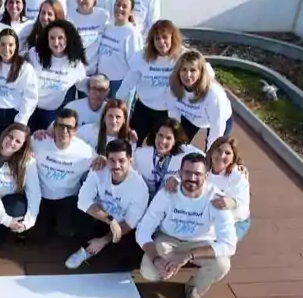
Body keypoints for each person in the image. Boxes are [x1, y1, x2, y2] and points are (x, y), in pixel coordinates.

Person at [135, 152, 237, 298]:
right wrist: (156, 259)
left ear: (206, 175)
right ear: (180, 173)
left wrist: (188, 254)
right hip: (168, 239)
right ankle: (168, 265)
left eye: (197, 174)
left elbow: (229, 244)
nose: (192, 178)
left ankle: (194, 288)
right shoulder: (167, 193)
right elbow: (143, 230)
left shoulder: (216, 199)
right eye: (187, 173)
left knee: (222, 265)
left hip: (201, 242)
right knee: (149, 271)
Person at [64, 139, 150, 269]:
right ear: (106, 159)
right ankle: (86, 249)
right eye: (112, 160)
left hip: (122, 226)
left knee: (127, 258)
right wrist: (110, 220)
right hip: (102, 218)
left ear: (130, 161)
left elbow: (130, 222)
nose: (116, 165)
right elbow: (83, 201)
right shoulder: (99, 169)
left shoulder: (140, 188)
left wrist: (104, 240)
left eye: (121, 161)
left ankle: (97, 246)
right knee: (75, 213)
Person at [167, 135, 252, 242]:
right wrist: (173, 180)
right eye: (218, 150)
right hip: (202, 218)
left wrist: (232, 203)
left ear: (233, 159)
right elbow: (184, 176)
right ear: (212, 152)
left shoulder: (238, 178)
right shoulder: (202, 167)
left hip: (234, 221)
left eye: (228, 153)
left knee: (218, 245)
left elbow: (244, 211)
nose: (221, 156)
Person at [31, 107, 95, 237]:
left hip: (67, 199)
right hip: (41, 196)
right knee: (38, 234)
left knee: (66, 231)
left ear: (76, 130)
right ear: (54, 127)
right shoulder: (38, 141)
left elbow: (102, 167)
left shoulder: (85, 151)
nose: (64, 131)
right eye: (61, 126)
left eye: (69, 127)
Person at [119, 19, 186, 141]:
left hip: (168, 111)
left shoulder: (182, 55)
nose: (161, 42)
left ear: (173, 38)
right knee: (132, 141)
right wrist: (119, 107)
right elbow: (127, 84)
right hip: (144, 109)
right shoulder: (141, 57)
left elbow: (204, 69)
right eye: (157, 38)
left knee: (164, 145)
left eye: (165, 37)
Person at [0, 123, 39, 246]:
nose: (12, 142)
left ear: (22, 146)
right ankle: (2, 226)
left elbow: (34, 192)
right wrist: (5, 220)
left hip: (10, 202)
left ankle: (14, 228)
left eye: (18, 141)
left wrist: (29, 222)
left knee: (17, 208)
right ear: (4, 134)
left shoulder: (27, 161)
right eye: (10, 137)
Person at [0, 27, 39, 155]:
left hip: (15, 115)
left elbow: (30, 96)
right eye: (3, 44)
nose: (6, 49)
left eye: (11, 45)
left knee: (11, 152)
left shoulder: (25, 68)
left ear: (16, 46)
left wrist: (21, 121)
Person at [28, 18, 88, 133]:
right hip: (29, 108)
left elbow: (84, 85)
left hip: (51, 112)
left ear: (68, 38)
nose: (56, 43)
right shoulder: (34, 54)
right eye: (52, 38)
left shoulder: (75, 64)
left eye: (60, 38)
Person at [168, 49, 233, 148]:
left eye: (192, 70)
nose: (187, 75)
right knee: (178, 146)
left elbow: (217, 130)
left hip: (218, 119)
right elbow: (174, 117)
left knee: (215, 150)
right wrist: (175, 141)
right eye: (184, 69)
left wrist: (210, 153)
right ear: (178, 71)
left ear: (200, 72)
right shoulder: (173, 87)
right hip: (190, 117)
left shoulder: (213, 95)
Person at [134, 118, 201, 196]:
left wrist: (179, 181)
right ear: (155, 135)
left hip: (168, 198)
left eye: (168, 138)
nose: (163, 141)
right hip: (142, 196)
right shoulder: (140, 154)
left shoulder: (184, 155)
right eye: (160, 135)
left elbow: (204, 163)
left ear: (175, 141)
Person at [94, 0, 143, 96]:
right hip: (101, 81)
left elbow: (136, 65)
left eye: (124, 6)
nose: (120, 8)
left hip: (119, 83)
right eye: (118, 5)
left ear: (131, 12)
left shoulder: (132, 33)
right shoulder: (108, 27)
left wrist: (127, 88)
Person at [68, 0, 110, 72]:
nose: (81, 0)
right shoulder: (69, 18)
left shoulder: (103, 16)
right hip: (74, 71)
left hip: (96, 72)